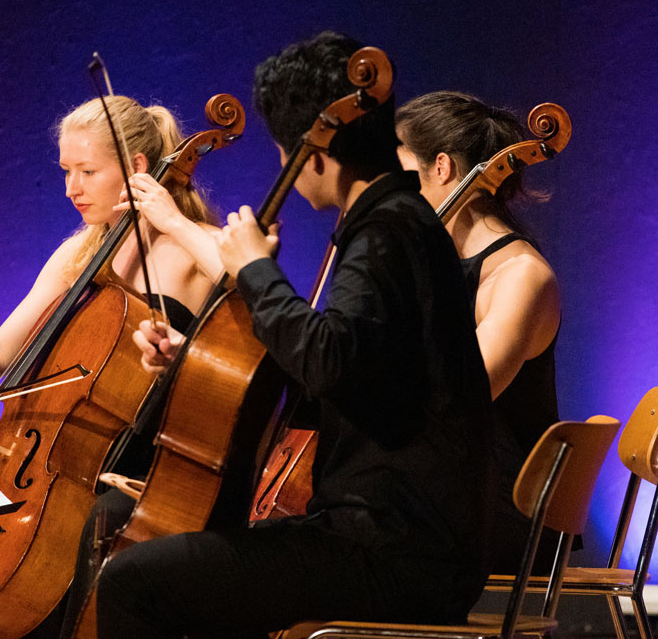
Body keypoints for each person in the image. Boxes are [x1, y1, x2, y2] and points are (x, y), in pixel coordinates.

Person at [102, 31, 498, 638]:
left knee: (132, 581)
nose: (286, 166)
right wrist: (198, 358)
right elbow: (356, 375)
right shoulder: (402, 222)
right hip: (414, 543)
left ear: (315, 155)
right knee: (200, 576)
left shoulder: (386, 234)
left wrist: (255, 271)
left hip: (393, 549)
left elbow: (328, 361)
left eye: (285, 150)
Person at [0, 95, 218, 639]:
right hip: (41, 473)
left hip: (127, 474)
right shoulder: (77, 254)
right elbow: (0, 353)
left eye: (87, 171)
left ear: (136, 168)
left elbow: (257, 294)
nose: (70, 188)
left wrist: (174, 222)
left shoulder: (193, 252)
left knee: (86, 540)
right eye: (65, 171)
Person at [395, 91, 563, 572]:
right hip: (441, 493)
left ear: (441, 168)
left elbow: (460, 397)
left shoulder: (520, 277)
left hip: (492, 509)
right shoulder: (440, 264)